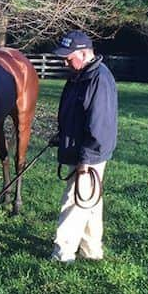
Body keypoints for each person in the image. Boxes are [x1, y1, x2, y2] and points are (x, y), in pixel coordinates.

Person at [49, 30, 118, 263]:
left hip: (91, 152)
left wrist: (86, 159)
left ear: (84, 53)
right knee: (90, 200)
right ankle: (92, 250)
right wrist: (62, 136)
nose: (65, 61)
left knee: (75, 200)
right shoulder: (79, 76)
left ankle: (63, 252)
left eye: (69, 57)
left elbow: (100, 124)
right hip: (79, 148)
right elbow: (74, 113)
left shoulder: (99, 79)